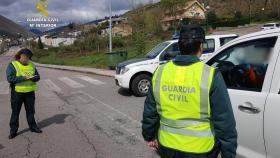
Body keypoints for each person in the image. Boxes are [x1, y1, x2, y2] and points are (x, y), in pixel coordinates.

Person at [142, 25, 237, 158]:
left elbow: (150, 110)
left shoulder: (160, 72)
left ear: (179, 46)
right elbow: (225, 122)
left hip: (167, 146)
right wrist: (229, 154)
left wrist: (149, 135)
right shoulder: (210, 75)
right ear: (201, 46)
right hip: (201, 149)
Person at [6, 48, 42, 139]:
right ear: (20, 55)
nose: (27, 59)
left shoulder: (32, 65)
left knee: (31, 111)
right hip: (17, 93)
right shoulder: (12, 65)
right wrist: (24, 78)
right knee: (15, 112)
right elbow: (10, 78)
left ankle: (33, 127)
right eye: (25, 56)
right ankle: (13, 131)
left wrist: (33, 78)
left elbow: (38, 77)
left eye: (29, 57)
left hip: (30, 92)